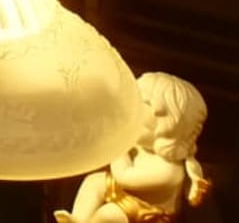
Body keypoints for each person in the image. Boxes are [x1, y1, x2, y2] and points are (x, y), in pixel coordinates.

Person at [57, 72, 209, 222]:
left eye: (139, 122)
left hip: (150, 213)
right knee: (94, 181)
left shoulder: (169, 172)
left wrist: (118, 145)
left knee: (108, 214)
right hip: (128, 197)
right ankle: (78, 219)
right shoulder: (144, 147)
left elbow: (124, 177)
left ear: (170, 129)